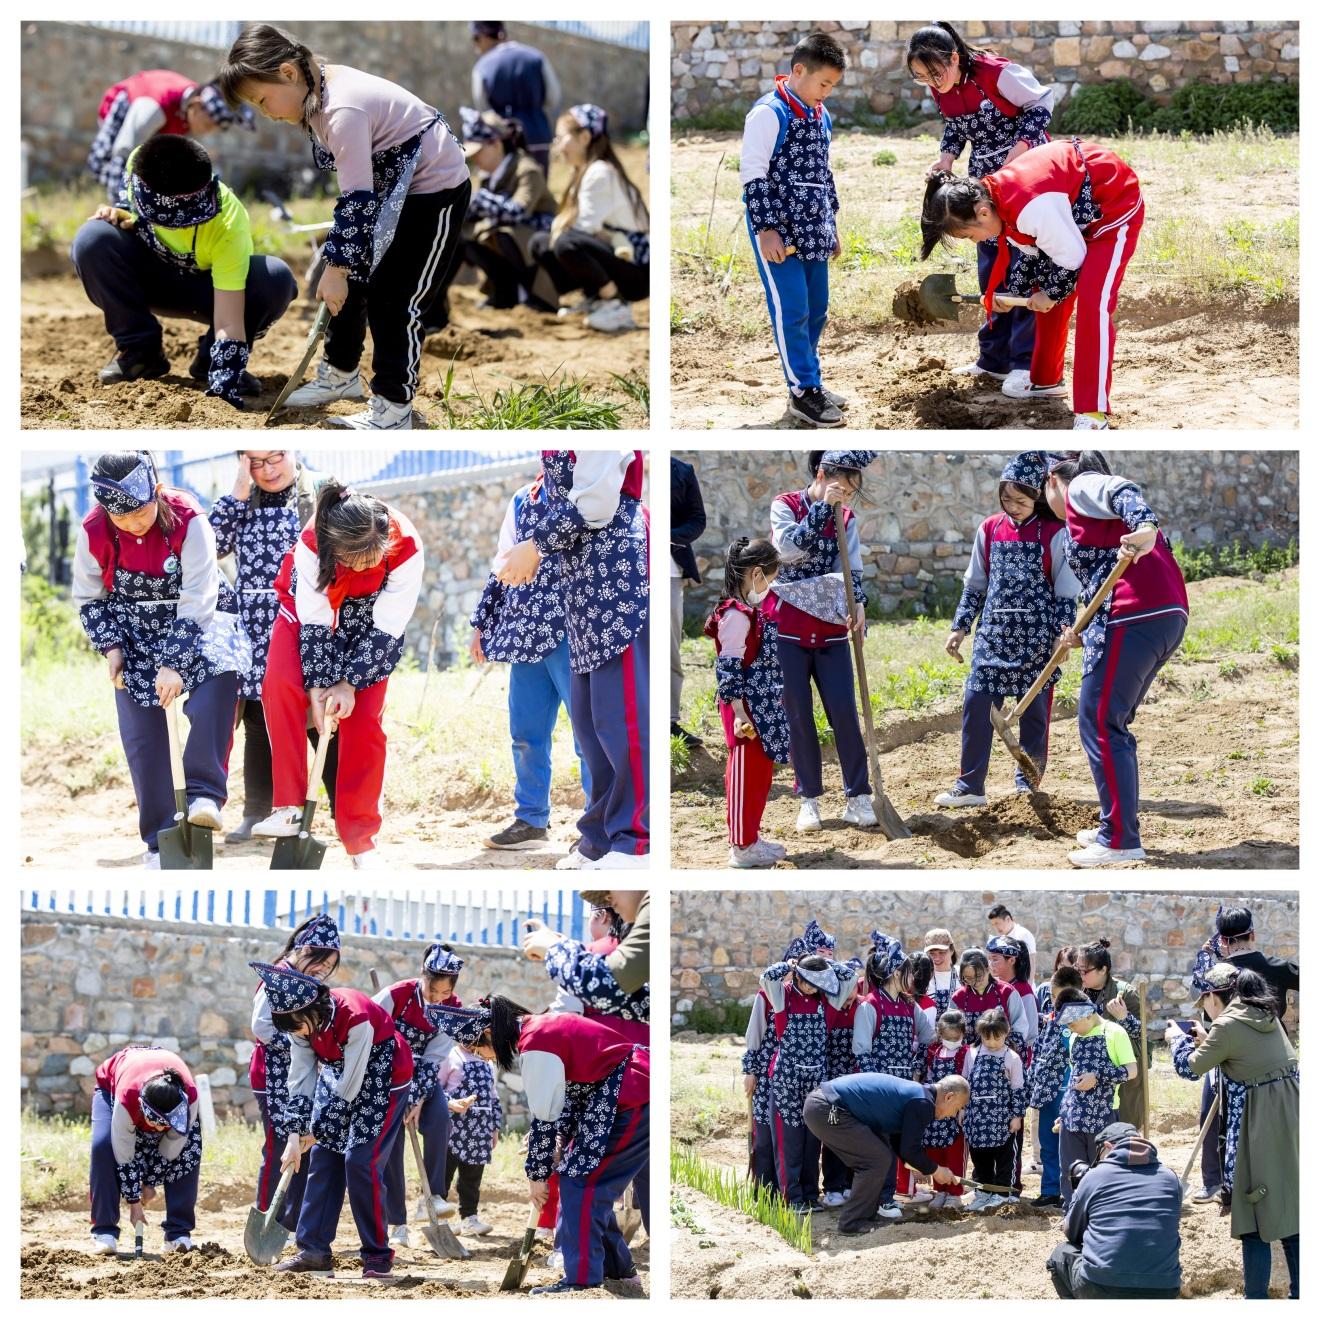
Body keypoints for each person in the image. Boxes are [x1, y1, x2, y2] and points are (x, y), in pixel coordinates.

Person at [219, 24, 471, 430]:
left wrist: (336, 269)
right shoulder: (315, 91)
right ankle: (340, 374)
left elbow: (356, 199)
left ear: (288, 73)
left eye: (263, 100)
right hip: (391, 186)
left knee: (395, 297)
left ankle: (393, 408)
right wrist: (339, 268)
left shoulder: (341, 108)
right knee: (345, 274)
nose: (266, 113)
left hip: (432, 190)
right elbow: (359, 197)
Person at [73, 451, 250, 867]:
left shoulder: (189, 520)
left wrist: (173, 662)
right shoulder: (94, 529)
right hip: (134, 628)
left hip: (200, 621)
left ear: (157, 492)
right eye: (123, 519)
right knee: (140, 734)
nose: (134, 524)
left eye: (140, 512)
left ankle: (204, 794)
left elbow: (200, 595)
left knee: (215, 691)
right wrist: (112, 647)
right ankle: (160, 837)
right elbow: (89, 596)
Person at [253, 481, 423, 868]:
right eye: (353, 561)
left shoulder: (406, 544)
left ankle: (360, 840)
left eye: (371, 561)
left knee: (363, 724)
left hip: (370, 630)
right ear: (333, 548)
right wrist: (317, 688)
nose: (363, 568)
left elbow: (389, 624)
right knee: (279, 686)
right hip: (307, 618)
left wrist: (348, 684)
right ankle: (288, 807)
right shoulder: (313, 542)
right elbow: (315, 621)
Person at [920, 137, 1144, 430]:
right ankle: (1045, 381)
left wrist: (1051, 293)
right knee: (1041, 288)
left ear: (982, 213)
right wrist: (1014, 292)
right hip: (1072, 215)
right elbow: (1030, 249)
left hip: (1111, 210)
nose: (974, 242)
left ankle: (1093, 412)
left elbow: (1071, 256)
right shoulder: (996, 197)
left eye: (968, 236)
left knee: (1093, 303)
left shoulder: (1029, 205)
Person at [434, 997, 649, 1296]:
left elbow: (544, 1118)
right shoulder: (537, 1031)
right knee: (580, 1183)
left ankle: (583, 1281)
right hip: (614, 1097)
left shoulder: (536, 1041)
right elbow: (567, 1097)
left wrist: (537, 1176)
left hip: (631, 1095)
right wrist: (557, 1144)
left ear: (488, 1033)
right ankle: (619, 1272)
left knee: (582, 1185)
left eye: (479, 1049)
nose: (483, 1057)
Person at [496, 451, 648, 869]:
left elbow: (596, 503)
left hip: (612, 576)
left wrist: (536, 544)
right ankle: (599, 837)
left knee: (620, 720)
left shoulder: (598, 441)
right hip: (578, 586)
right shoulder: (523, 497)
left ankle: (635, 840)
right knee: (592, 722)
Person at [1045, 453, 1189, 866]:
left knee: (1102, 722)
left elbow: (1122, 490)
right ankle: (1117, 821)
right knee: (1111, 722)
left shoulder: (1081, 486)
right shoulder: (1090, 523)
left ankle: (1120, 838)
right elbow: (1100, 582)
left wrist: (1144, 526)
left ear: (1051, 478)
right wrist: (1079, 631)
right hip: (1161, 616)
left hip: (1136, 614)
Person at [71, 136, 296, 400]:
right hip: (150, 280)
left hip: (205, 292)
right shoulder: (140, 165)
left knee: (275, 278)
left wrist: (224, 375)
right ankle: (141, 353)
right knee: (93, 238)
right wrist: (120, 214)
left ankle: (209, 363)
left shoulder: (227, 222)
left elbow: (228, 320)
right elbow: (130, 211)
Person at [907, 22, 1052, 395]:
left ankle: (1024, 364)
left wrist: (1017, 153)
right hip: (983, 185)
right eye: (922, 78)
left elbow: (1041, 104)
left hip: (1025, 178)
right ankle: (994, 360)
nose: (932, 84)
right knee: (991, 269)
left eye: (935, 74)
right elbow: (956, 127)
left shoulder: (998, 74)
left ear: (954, 57)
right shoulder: (943, 89)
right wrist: (945, 161)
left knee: (1024, 265)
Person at [253, 962, 413, 1278]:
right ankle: (313, 1251)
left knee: (360, 1162)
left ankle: (378, 1254)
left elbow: (352, 1086)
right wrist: (296, 1135)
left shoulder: (355, 1017)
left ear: (312, 1012)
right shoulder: (300, 1028)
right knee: (323, 1159)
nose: (295, 1035)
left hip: (384, 1076)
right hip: (339, 1071)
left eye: (296, 1027)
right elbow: (299, 1077)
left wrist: (321, 1129)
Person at [937, 452, 1079, 808]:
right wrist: (960, 628)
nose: (1013, 506)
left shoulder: (1055, 533)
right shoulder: (990, 529)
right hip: (994, 634)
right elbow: (975, 585)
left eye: (1021, 500)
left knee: (1034, 716)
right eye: (1006, 499)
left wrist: (1063, 632)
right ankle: (970, 786)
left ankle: (1027, 784)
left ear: (1038, 497)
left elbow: (1065, 591)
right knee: (977, 705)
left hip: (1038, 639)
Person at [210, 451, 338, 842]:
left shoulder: (320, 490)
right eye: (256, 462)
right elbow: (210, 546)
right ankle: (257, 813)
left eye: (275, 458)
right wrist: (238, 490)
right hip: (255, 626)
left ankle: (343, 810)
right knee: (258, 723)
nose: (268, 470)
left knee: (323, 720)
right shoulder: (240, 499)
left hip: (310, 618)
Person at [470, 469, 591, 851]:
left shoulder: (587, 495)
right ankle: (531, 820)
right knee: (525, 733)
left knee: (587, 735)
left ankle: (598, 822)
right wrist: (483, 624)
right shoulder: (523, 498)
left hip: (573, 632)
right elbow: (502, 563)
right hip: (525, 632)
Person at [1166, 963, 1298, 1300]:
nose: (1205, 1009)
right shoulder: (1266, 1014)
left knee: (1253, 1216)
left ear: (1214, 996)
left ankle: (1255, 1299)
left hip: (1256, 1126)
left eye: (1205, 1000)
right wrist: (1211, 1040)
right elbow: (1247, 1054)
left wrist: (1177, 1041)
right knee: (1292, 1212)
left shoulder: (1226, 1025)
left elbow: (1190, 1068)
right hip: (1292, 1121)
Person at [741, 31, 847, 427]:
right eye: (823, 83)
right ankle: (803, 390)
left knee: (817, 307)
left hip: (813, 228)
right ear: (798, 70)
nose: (827, 93)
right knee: (792, 309)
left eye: (832, 86)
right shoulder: (769, 113)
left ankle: (810, 381)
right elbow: (753, 174)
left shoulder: (821, 116)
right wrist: (767, 228)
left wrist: (831, 223)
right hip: (780, 232)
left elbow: (824, 172)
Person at [768, 451, 878, 833]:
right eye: (841, 487)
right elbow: (787, 553)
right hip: (788, 629)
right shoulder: (784, 506)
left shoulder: (845, 517)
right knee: (798, 715)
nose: (845, 496)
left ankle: (858, 796)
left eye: (851, 491)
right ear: (821, 474)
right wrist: (820, 512)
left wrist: (857, 604)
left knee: (844, 711)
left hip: (830, 629)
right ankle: (809, 799)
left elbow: (850, 567)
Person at [1190, 904, 1300, 1202]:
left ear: (1222, 940)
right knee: (1262, 1124)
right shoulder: (1275, 966)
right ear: (1253, 934)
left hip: (1219, 1049)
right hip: (1268, 1054)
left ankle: (1215, 1183)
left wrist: (1206, 952)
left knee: (1214, 1117)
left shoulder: (1214, 972)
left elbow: (1197, 982)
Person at [248, 914, 341, 1240]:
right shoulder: (280, 976)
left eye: (328, 967)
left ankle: (289, 1223)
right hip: (272, 1075)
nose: (322, 971)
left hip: (302, 1075)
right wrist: (300, 1038)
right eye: (319, 962)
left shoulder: (309, 981)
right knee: (277, 1147)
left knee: (303, 1142)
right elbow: (260, 1027)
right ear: (304, 951)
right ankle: (266, 1217)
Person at [704, 538, 791, 867]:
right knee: (744, 773)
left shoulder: (752, 611)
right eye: (771, 577)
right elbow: (728, 668)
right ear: (756, 574)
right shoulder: (737, 616)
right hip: (745, 708)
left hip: (762, 705)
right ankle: (741, 846)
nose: (772, 585)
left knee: (759, 774)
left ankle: (751, 837)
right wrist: (740, 713)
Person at [804, 1071, 970, 1235]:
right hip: (827, 1107)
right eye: (957, 1108)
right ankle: (852, 1223)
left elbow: (900, 1145)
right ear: (949, 1097)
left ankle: (866, 1216)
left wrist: (923, 1166)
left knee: (883, 1156)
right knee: (876, 1160)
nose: (953, 1115)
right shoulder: (923, 1103)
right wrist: (936, 1170)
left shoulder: (919, 1096)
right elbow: (909, 1150)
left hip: (824, 1105)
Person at [531, 105, 649, 333]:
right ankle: (596, 296)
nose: (557, 146)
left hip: (638, 267)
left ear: (584, 137)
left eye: (561, 138)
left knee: (567, 242)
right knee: (540, 243)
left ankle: (616, 304)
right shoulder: (584, 171)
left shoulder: (600, 172)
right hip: (616, 256)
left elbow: (585, 228)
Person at [375, 943, 464, 1244]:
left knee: (440, 1117)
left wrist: (417, 1099)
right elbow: (366, 1031)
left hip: (422, 1076)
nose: (438, 998)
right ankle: (397, 1223)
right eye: (432, 990)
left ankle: (433, 1196)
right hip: (385, 1075)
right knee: (392, 1143)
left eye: (445, 993)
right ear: (421, 976)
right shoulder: (395, 995)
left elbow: (434, 1057)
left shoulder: (452, 1008)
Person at [437, 107, 557, 327]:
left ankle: (531, 294)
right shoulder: (489, 176)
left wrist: (479, 199)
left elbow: (518, 211)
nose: (475, 160)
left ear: (496, 144)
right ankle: (503, 292)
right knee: (465, 236)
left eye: (479, 152)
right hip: (512, 242)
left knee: (502, 236)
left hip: (539, 249)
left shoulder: (527, 169)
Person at [741, 920, 835, 1193]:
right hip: (768, 1072)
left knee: (794, 1138)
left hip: (801, 1073)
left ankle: (797, 1190)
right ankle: (766, 1192)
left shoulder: (817, 1000)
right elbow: (754, 1037)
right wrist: (750, 1071)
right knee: (766, 1137)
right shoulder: (768, 996)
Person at [760, 952, 858, 1211]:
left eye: (817, 982)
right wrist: (792, 965)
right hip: (787, 1081)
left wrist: (825, 967)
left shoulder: (827, 1001)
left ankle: (810, 1195)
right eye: (807, 981)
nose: (811, 987)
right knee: (788, 1140)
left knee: (812, 1141)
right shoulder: (783, 997)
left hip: (816, 1081)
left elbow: (850, 977)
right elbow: (767, 977)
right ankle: (791, 1198)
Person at [1047, 1121, 1182, 1298]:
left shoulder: (1095, 1177)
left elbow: (1072, 1233)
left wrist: (1079, 1195)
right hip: (1165, 1286)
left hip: (1103, 1285)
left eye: (1100, 1154)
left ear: (1108, 1146)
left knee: (1060, 1254)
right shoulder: (1171, 1178)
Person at [89, 1046, 202, 1255]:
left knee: (188, 1151)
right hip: (112, 1086)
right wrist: (134, 1203)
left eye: (165, 1124)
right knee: (103, 1147)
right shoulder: (128, 1098)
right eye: (156, 1123)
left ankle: (177, 1234)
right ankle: (105, 1232)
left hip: (162, 1095)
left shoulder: (190, 1098)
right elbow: (125, 1154)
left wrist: (150, 1183)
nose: (159, 1130)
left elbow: (171, 1148)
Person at [88, 70, 255, 199]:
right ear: (196, 106)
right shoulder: (154, 108)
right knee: (104, 164)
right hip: (127, 103)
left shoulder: (191, 107)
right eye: (207, 125)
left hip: (162, 123)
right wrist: (120, 206)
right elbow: (123, 154)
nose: (208, 131)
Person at [1055, 999, 1137, 1209]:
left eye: (1072, 1023)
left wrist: (1098, 1076)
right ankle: (1072, 1215)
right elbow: (1075, 1077)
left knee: (1102, 1171)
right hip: (1073, 1117)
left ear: (1088, 1014)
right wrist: (1066, 1110)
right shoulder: (1074, 1037)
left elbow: (1131, 1071)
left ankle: (1102, 1215)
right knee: (1070, 1171)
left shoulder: (1114, 1033)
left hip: (1103, 1115)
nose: (1070, 1028)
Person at [1026, 974, 1087, 1208]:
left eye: (1059, 997)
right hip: (1046, 1093)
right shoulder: (1049, 1020)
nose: (1054, 1001)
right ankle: (1049, 1189)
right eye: (1052, 996)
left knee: (1068, 1146)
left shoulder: (1079, 1025)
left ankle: (1069, 1192)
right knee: (1048, 1144)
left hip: (1066, 1093)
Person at [469, 21, 561, 171]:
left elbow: (484, 110)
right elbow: (553, 98)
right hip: (538, 136)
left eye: (475, 39)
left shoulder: (482, 67)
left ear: (484, 36)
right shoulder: (537, 57)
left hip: (503, 142)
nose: (476, 47)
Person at [1076, 937, 1147, 1127]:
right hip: (1088, 1073)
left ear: (1103, 969)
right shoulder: (1078, 994)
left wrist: (1125, 1018)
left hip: (1119, 1074)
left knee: (1124, 1128)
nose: (1081, 975)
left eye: (1086, 971)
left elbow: (1144, 1038)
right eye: (1078, 969)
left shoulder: (1126, 994)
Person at [439, 1032, 502, 1236]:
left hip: (480, 1129)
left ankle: (469, 1218)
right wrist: (451, 1104)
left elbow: (493, 1096)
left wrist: (495, 1127)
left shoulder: (488, 1063)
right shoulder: (452, 1056)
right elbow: (437, 1089)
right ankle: (440, 1220)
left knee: (472, 1177)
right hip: (453, 1127)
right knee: (443, 1174)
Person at [962, 1007, 1025, 1209]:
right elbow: (964, 1083)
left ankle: (1002, 1193)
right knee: (980, 1158)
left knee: (1004, 1157)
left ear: (1006, 1033)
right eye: (987, 1038)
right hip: (977, 1118)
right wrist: (962, 1109)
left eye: (997, 1038)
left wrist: (1017, 1116)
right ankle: (983, 1192)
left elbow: (1018, 1089)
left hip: (1002, 1119)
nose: (992, 1043)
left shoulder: (1012, 1058)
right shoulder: (972, 1054)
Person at [919, 1009, 974, 1206]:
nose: (952, 1040)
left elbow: (969, 1081)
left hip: (956, 1111)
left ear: (963, 1033)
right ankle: (940, 1189)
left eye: (956, 1037)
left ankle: (955, 1192)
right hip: (935, 1110)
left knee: (954, 1151)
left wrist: (963, 1109)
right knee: (934, 1149)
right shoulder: (933, 1050)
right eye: (947, 1037)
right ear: (940, 1034)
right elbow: (927, 1075)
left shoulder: (967, 1052)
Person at [670, 456, 707, 750]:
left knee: (670, 651)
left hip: (668, 571)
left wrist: (665, 537)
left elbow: (697, 519)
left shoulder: (681, 471)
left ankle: (669, 722)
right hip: (625, 572)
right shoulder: (621, 460)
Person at [988, 903, 1038, 982]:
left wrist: (1027, 987)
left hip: (1022, 986)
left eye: (997, 923)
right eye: (993, 924)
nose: (996, 928)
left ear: (1008, 919)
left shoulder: (1023, 935)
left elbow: (1031, 963)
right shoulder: (1000, 939)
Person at [922, 929, 960, 1018]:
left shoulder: (962, 974)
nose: (937, 958)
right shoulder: (923, 977)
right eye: (932, 954)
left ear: (952, 950)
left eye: (942, 952)